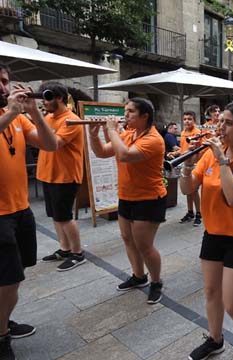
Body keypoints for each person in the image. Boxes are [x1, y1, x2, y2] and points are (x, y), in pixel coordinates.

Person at [180, 101, 233, 360]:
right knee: (211, 292)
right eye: (221, 121)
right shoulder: (208, 153)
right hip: (214, 233)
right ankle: (215, 340)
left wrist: (221, 160)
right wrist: (185, 164)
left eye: (228, 123)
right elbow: (187, 189)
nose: (221, 127)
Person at [0, 64, 58, 359]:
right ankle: (1, 337)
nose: (3, 87)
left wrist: (35, 112)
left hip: (20, 208)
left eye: (5, 81)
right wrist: (11, 113)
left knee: (15, 275)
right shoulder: (9, 115)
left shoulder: (18, 120)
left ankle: (3, 321)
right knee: (8, 279)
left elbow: (51, 144)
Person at [88, 98, 166, 304]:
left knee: (145, 246)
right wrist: (93, 135)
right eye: (126, 111)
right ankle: (139, 276)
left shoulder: (153, 139)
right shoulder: (130, 133)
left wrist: (112, 130)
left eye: (131, 112)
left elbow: (124, 155)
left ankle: (156, 282)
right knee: (127, 239)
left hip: (148, 199)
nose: (126, 115)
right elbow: (102, 152)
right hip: (126, 195)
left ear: (144, 116)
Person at [36, 82, 86, 272]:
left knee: (64, 216)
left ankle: (78, 253)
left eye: (47, 97)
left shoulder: (71, 120)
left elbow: (56, 143)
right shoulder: (48, 117)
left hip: (65, 176)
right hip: (47, 173)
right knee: (55, 216)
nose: (44, 101)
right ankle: (65, 249)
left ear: (59, 98)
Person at [179, 111, 202, 226]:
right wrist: (177, 152)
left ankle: (199, 213)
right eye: (185, 119)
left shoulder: (197, 133)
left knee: (193, 190)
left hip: (194, 165)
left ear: (194, 121)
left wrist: (193, 163)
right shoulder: (183, 132)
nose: (187, 121)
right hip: (185, 163)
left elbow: (199, 152)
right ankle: (190, 212)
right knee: (188, 191)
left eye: (189, 119)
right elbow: (183, 148)